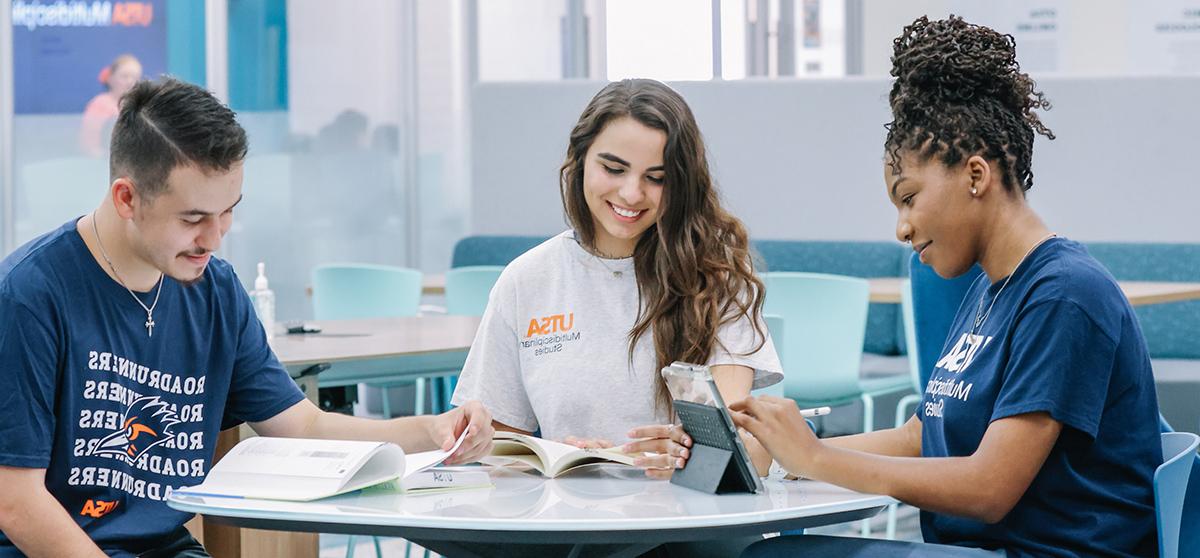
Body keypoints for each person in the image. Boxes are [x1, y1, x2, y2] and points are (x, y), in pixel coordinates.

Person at [0, 77, 495, 557]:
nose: (215, 239)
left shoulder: (214, 291)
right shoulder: (31, 295)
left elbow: (303, 427)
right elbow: (16, 502)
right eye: (193, 219)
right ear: (127, 198)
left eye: (229, 212)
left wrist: (432, 430)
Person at [732, 16, 1161, 558]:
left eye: (908, 197)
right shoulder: (989, 290)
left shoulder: (1064, 294)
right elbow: (922, 435)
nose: (901, 227)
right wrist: (781, 449)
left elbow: (988, 489)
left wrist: (815, 461)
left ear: (976, 175)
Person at [445, 79, 782, 556]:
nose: (632, 192)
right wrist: (562, 459)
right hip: (571, 521)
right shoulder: (528, 278)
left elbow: (742, 446)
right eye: (614, 167)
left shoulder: (715, 276)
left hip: (690, 523)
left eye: (657, 177)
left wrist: (683, 457)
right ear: (580, 159)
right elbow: (500, 450)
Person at [80, 54, 143, 156]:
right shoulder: (99, 104)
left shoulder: (142, 105)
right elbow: (89, 145)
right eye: (124, 76)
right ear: (111, 78)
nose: (130, 82)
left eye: (135, 77)